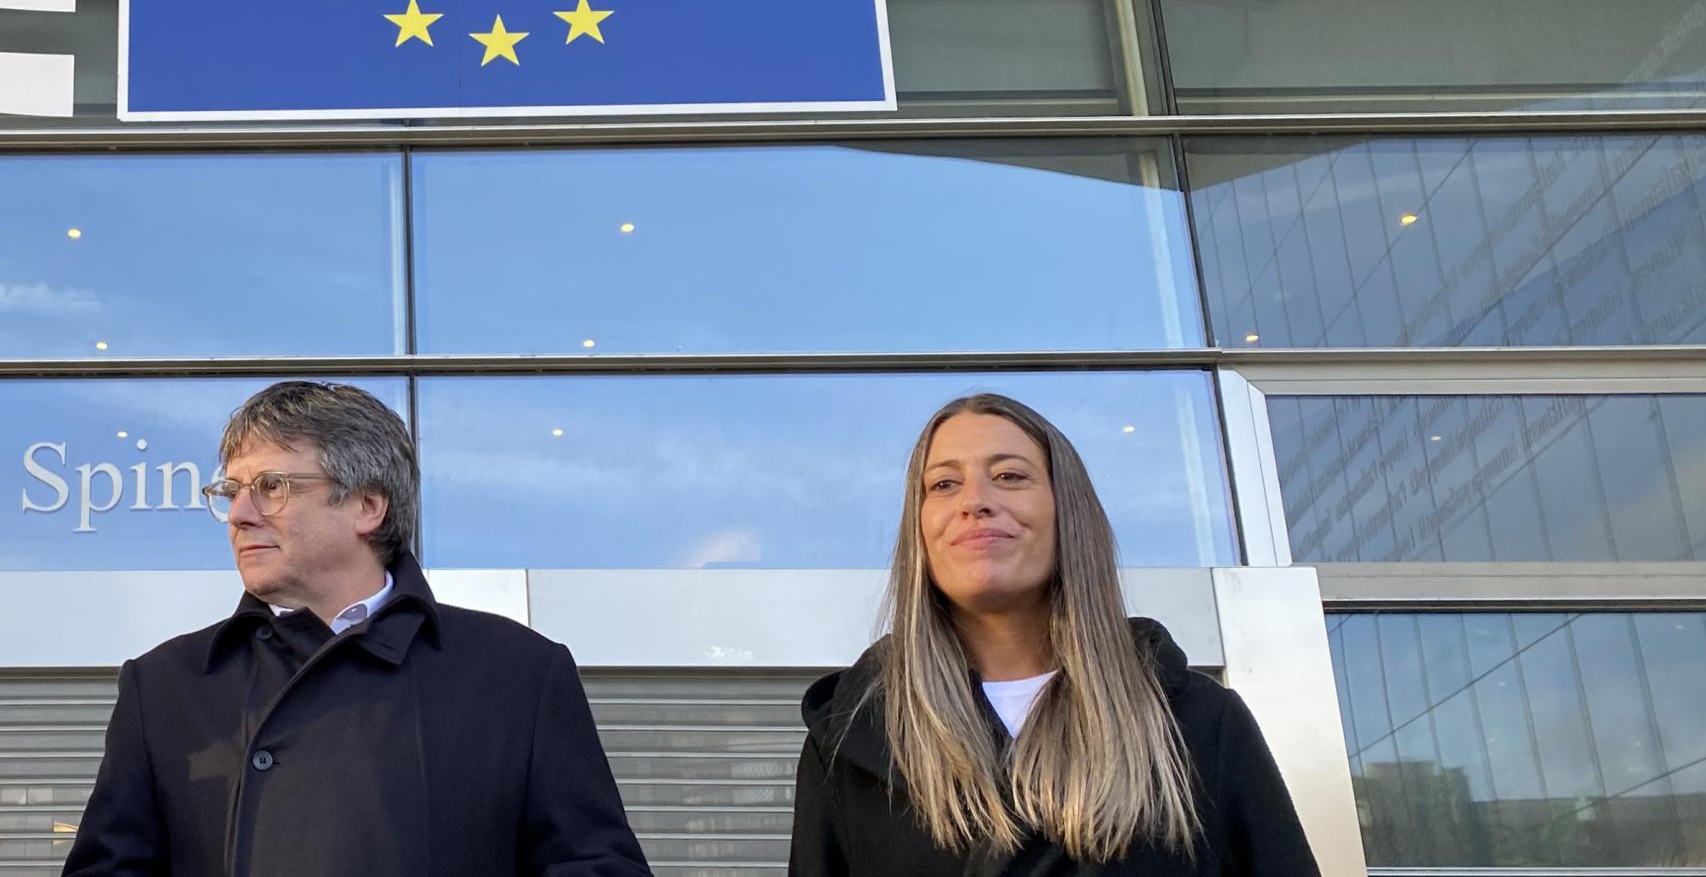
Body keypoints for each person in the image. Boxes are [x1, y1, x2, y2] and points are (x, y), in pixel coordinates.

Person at [62, 381, 653, 877]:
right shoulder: (166, 684)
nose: (241, 515)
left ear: (369, 506)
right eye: (232, 492)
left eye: (273, 487)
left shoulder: (517, 673)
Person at [788, 393, 1320, 877]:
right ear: (920, 530)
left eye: (1011, 476)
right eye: (944, 484)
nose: (974, 501)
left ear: (1068, 511)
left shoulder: (1198, 722)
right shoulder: (850, 741)